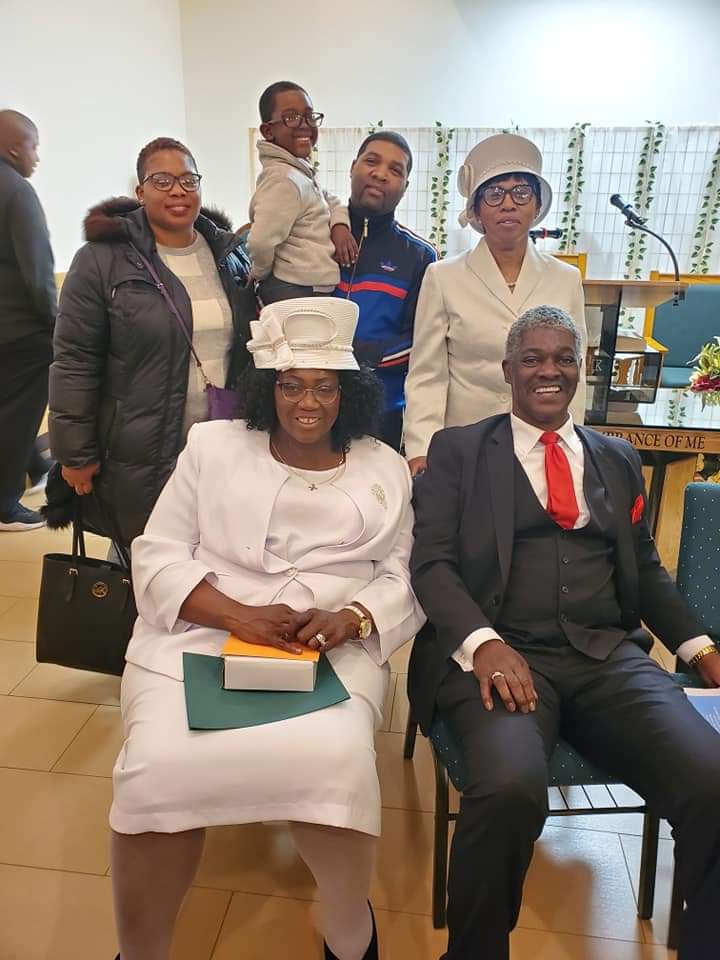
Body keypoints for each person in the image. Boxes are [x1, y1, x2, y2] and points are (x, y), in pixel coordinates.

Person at [109, 296, 425, 960]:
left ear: (351, 394)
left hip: (331, 648)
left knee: (335, 763)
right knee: (156, 766)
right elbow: (157, 553)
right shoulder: (213, 448)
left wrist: (353, 617)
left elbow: (403, 578)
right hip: (198, 632)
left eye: (323, 386)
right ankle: (140, 951)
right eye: (289, 385)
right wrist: (238, 617)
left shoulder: (385, 467)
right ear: (266, 388)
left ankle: (349, 933)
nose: (305, 402)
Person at [408, 305, 720, 960]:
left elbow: (648, 571)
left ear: (580, 369)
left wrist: (702, 648)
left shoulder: (617, 458)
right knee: (507, 788)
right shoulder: (460, 450)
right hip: (498, 657)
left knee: (713, 778)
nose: (549, 371)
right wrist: (484, 643)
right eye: (533, 358)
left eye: (563, 359)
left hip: (608, 659)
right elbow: (430, 565)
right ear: (507, 371)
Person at [48, 136, 253, 547]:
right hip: (140, 446)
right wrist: (74, 453)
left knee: (211, 553)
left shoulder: (227, 255)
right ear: (140, 192)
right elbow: (74, 361)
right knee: (141, 554)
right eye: (162, 180)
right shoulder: (102, 260)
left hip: (218, 440)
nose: (178, 190)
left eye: (188, 180)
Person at [403, 133, 588, 476]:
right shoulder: (443, 277)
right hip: (464, 445)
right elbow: (427, 374)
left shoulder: (565, 279)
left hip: (542, 444)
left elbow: (575, 372)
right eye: (494, 193)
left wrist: (573, 443)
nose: (508, 204)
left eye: (521, 192)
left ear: (536, 206)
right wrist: (422, 449)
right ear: (476, 210)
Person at [336, 131, 436, 450]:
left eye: (396, 170)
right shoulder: (309, 236)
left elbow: (424, 340)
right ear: (353, 167)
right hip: (308, 405)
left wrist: (362, 354)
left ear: (405, 187)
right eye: (371, 161)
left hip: (382, 414)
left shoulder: (420, 256)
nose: (381, 174)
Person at [248, 81, 355, 303]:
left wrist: (340, 225)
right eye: (291, 117)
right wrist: (261, 273)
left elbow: (331, 200)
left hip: (305, 288)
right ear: (268, 131)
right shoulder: (283, 179)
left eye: (309, 116)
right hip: (294, 290)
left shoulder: (298, 174)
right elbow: (260, 242)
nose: (304, 125)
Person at [0, 109, 56, 531]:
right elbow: (38, 272)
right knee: (18, 416)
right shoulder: (17, 191)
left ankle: (36, 465)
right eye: (34, 145)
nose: (37, 155)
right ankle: (5, 505)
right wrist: (56, 325)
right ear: (15, 146)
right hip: (21, 330)